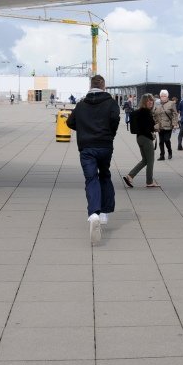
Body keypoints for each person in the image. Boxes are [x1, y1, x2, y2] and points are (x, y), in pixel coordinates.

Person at [66, 75, 121, 245]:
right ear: (103, 86)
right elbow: (115, 119)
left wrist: (84, 129)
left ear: (91, 85)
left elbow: (70, 122)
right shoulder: (111, 103)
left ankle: (94, 214)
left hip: (87, 147)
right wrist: (109, 134)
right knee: (104, 175)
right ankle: (104, 213)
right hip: (105, 146)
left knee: (91, 179)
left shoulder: (81, 104)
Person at [123, 94, 161, 189]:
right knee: (150, 161)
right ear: (144, 102)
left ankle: (130, 176)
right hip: (146, 138)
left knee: (145, 160)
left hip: (139, 138)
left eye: (151, 101)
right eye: (148, 101)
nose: (150, 102)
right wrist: (155, 128)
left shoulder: (139, 112)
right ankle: (149, 181)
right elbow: (147, 127)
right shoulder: (146, 113)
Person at [153, 89, 178, 160]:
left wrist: (174, 123)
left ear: (167, 97)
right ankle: (162, 155)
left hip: (168, 125)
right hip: (160, 126)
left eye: (164, 96)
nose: (163, 97)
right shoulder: (157, 104)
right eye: (162, 96)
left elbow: (175, 114)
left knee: (167, 140)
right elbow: (154, 114)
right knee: (161, 142)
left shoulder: (171, 103)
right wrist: (155, 123)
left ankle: (170, 151)